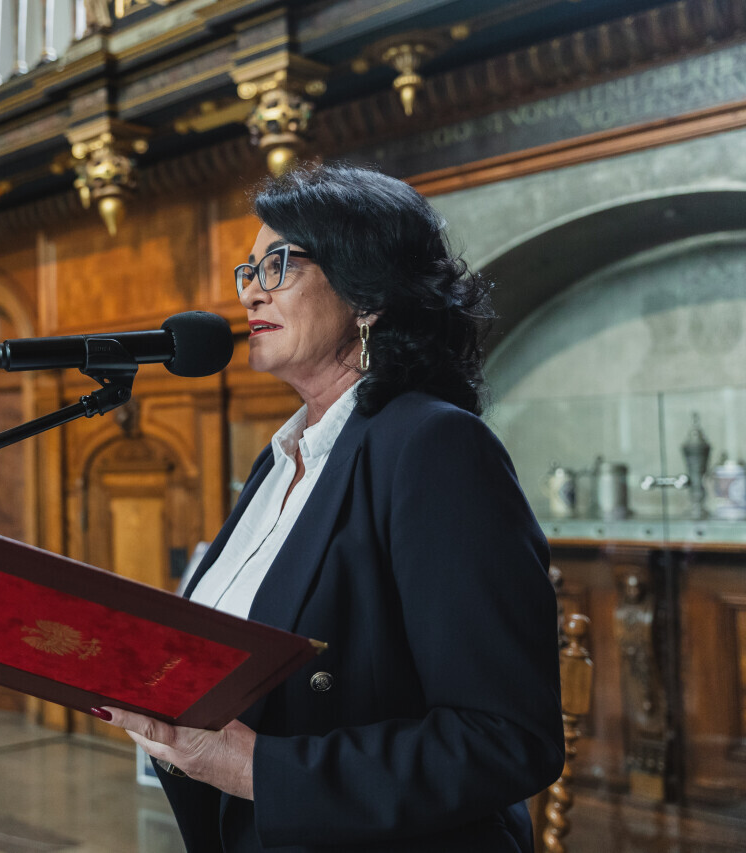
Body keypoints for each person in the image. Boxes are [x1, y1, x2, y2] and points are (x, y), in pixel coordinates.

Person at [94, 163, 564, 852]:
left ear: (367, 294)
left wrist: (259, 770)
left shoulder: (434, 446)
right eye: (247, 271)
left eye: (278, 264)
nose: (250, 290)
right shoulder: (283, 457)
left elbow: (506, 737)